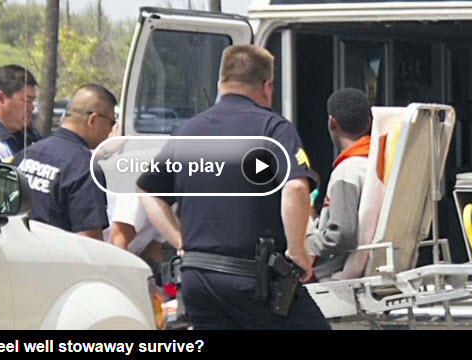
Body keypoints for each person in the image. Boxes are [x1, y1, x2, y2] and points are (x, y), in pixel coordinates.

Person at [137, 45, 330, 330]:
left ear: (220, 84)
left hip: (198, 280)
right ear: (267, 87)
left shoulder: (188, 131)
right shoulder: (273, 128)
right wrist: (298, 252)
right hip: (254, 280)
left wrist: (181, 241)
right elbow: (296, 189)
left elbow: (148, 191)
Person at [15, 84, 117, 240]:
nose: (111, 131)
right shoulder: (85, 167)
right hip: (58, 260)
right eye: (111, 123)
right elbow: (89, 243)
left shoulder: (26, 154)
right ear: (93, 120)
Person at [306, 88, 372, 282]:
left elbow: (341, 235)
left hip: (329, 279)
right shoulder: (375, 165)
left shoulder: (347, 172)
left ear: (332, 122)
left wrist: (304, 244)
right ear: (368, 123)